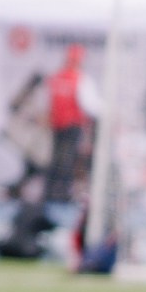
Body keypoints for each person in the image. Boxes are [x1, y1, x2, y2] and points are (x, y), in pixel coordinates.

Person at [45, 44, 100, 205]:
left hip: (57, 124)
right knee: (67, 160)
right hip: (72, 124)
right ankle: (61, 195)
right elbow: (89, 105)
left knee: (56, 159)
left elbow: (48, 102)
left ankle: (51, 193)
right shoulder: (79, 79)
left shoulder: (56, 77)